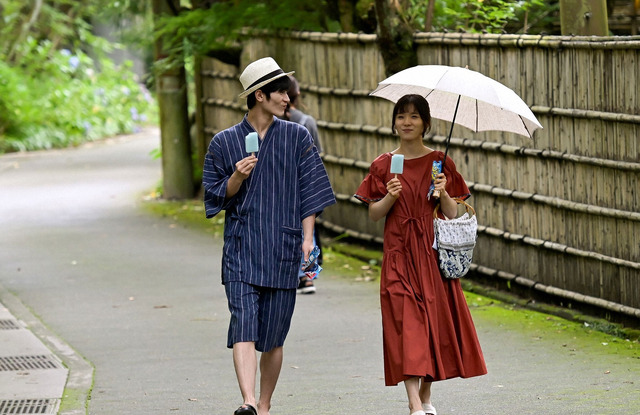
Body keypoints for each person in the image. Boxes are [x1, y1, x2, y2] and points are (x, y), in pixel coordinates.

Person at [202, 57, 336, 415]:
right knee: (243, 323)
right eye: (280, 92)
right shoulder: (223, 142)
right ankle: (247, 401)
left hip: (283, 247)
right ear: (259, 95)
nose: (287, 98)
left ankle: (264, 405)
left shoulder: (297, 136)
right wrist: (236, 179)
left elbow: (311, 191)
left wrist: (308, 240)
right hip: (242, 247)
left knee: (274, 336)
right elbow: (213, 196)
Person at [354, 94, 487, 415]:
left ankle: (425, 396)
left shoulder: (440, 163)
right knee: (406, 323)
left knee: (432, 323)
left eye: (414, 117)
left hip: (431, 253)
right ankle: (414, 404)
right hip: (398, 252)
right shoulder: (383, 165)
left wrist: (442, 193)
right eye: (401, 116)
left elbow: (453, 213)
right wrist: (389, 196)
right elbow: (374, 214)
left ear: (426, 123)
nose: (407, 122)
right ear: (394, 122)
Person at [285, 75, 324, 294]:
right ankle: (309, 276)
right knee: (309, 230)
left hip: (280, 185)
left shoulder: (268, 121)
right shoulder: (306, 122)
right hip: (304, 184)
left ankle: (291, 275)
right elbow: (318, 157)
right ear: (296, 96)